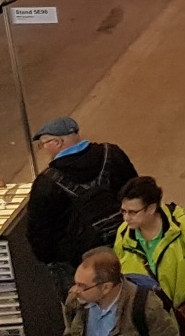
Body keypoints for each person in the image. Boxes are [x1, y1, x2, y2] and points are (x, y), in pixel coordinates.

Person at [28, 119, 139, 294]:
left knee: (84, 307)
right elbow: (137, 192)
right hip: (128, 245)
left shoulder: (46, 183)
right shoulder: (113, 155)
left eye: (43, 144)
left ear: (57, 143)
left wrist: (52, 260)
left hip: (79, 265)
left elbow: (39, 234)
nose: (43, 149)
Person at [113, 176, 185, 333]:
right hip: (151, 316)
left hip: (183, 313)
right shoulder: (123, 234)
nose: (126, 218)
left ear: (151, 208)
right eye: (123, 211)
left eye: (133, 212)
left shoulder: (182, 228)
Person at [63, 248, 178, 336]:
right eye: (75, 283)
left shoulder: (146, 307)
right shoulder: (76, 302)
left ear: (106, 288)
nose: (75, 291)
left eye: (82, 286)